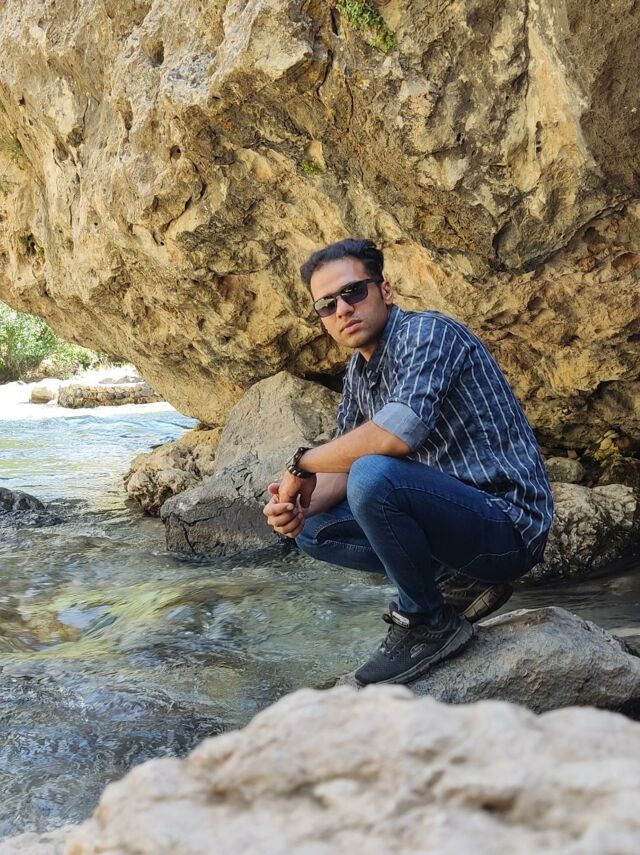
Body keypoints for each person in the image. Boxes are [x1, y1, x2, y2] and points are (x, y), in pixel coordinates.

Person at [263, 238, 554, 686]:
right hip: (451, 525)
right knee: (312, 529)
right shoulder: (359, 373)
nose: (343, 309)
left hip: (508, 525)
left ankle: (425, 623)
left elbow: (396, 435)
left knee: (374, 473)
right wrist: (295, 506)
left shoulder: (428, 334)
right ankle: (456, 585)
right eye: (327, 304)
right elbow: (342, 469)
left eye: (354, 291)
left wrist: (303, 462)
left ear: (386, 290)